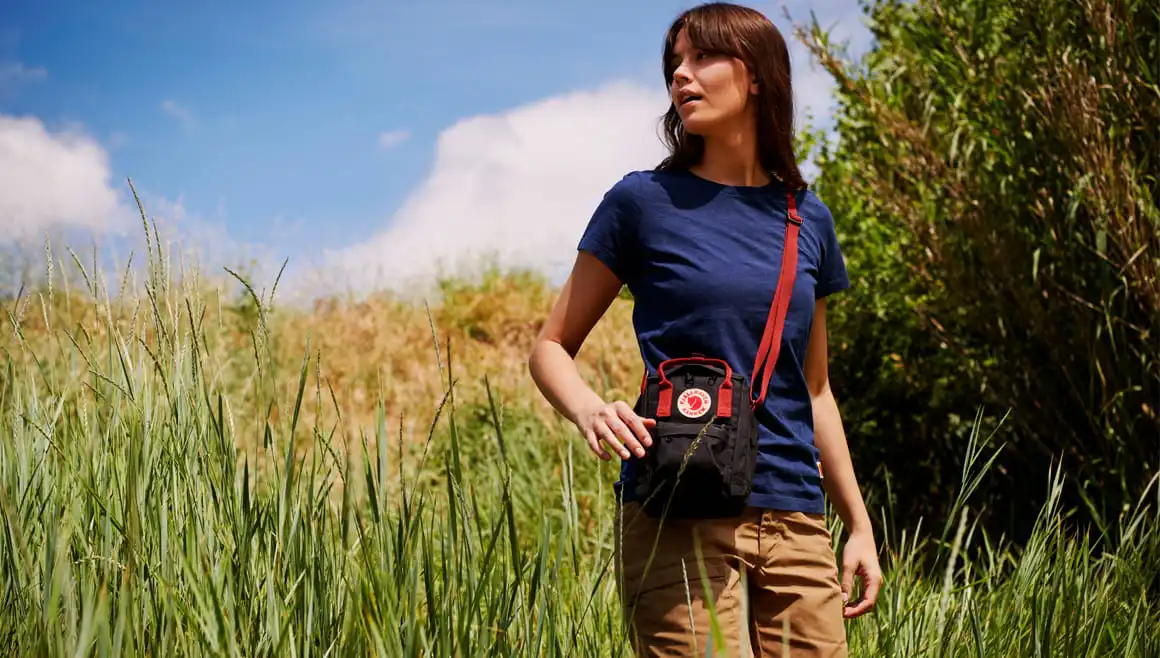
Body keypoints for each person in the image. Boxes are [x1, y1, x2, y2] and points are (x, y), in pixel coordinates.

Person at [527, 2, 881, 655]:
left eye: (701, 58)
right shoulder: (641, 204)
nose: (681, 77)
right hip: (678, 507)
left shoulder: (808, 219)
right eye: (674, 64)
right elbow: (551, 347)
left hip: (795, 515)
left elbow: (816, 390)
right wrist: (588, 409)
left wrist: (857, 525)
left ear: (755, 77)